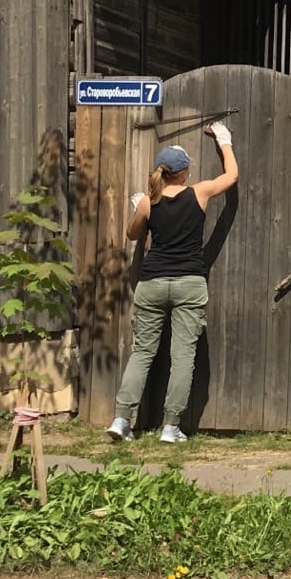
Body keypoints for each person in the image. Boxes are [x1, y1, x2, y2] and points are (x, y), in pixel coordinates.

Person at [109, 121, 237, 444]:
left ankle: (122, 420)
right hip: (188, 283)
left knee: (142, 353)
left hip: (152, 284)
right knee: (183, 355)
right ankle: (170, 427)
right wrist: (224, 141)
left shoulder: (148, 202)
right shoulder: (199, 192)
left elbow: (132, 234)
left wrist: (138, 207)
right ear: (183, 173)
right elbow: (231, 177)